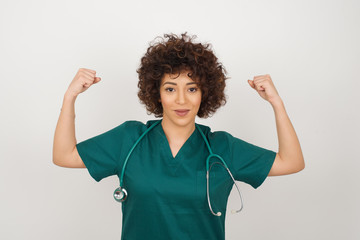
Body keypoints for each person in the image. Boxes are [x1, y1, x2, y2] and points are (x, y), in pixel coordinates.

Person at [53, 32, 305, 240]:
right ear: (157, 93)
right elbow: (64, 156)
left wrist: (276, 103)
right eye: (170, 88)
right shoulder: (129, 140)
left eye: (192, 88)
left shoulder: (221, 148)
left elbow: (291, 162)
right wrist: (69, 97)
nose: (181, 100)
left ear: (204, 93)